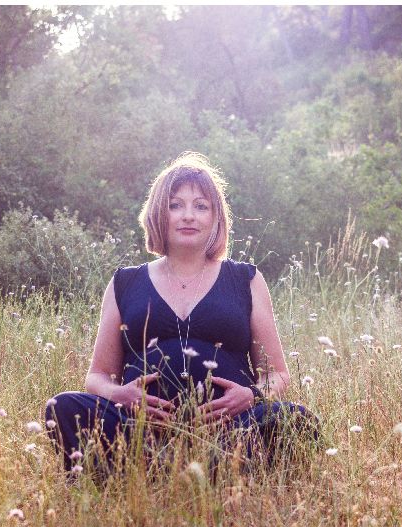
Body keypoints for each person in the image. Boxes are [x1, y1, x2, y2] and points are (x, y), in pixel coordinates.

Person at [45, 153, 316, 478]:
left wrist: (252, 395)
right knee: (62, 408)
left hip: (230, 429)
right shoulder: (125, 282)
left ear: (216, 217)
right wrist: (120, 394)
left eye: (201, 206)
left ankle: (214, 470)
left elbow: (279, 375)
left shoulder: (246, 279)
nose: (189, 215)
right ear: (159, 213)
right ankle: (144, 472)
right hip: (137, 429)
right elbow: (97, 377)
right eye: (176, 205)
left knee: (295, 420)